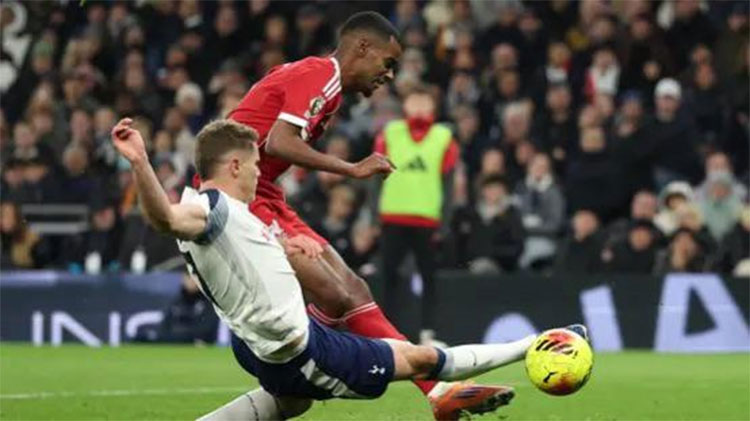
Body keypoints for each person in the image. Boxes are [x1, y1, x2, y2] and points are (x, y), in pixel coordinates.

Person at [110, 118, 582, 420]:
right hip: (294, 349)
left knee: (293, 401)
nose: (259, 173)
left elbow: (238, 254)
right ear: (234, 165)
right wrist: (140, 162)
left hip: (253, 345)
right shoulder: (209, 207)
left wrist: (282, 244)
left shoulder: (231, 213)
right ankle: (536, 343)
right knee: (419, 359)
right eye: (254, 165)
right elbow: (165, 218)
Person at [224, 11, 506, 418]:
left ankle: (438, 392)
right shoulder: (322, 75)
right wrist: (351, 168)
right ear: (362, 47)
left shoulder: (324, 84)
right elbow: (279, 142)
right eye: (387, 63)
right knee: (333, 294)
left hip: (263, 192)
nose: (389, 75)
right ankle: (296, 368)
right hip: (236, 193)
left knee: (353, 290)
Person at [372, 87, 459, 346]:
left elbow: (449, 184)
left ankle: (428, 332)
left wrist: (445, 221)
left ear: (434, 108)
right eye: (414, 101)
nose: (419, 107)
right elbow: (375, 177)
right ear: (405, 106)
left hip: (427, 219)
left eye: (425, 102)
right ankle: (387, 333)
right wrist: (374, 214)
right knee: (389, 277)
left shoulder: (444, 137)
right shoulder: (390, 133)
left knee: (429, 278)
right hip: (393, 216)